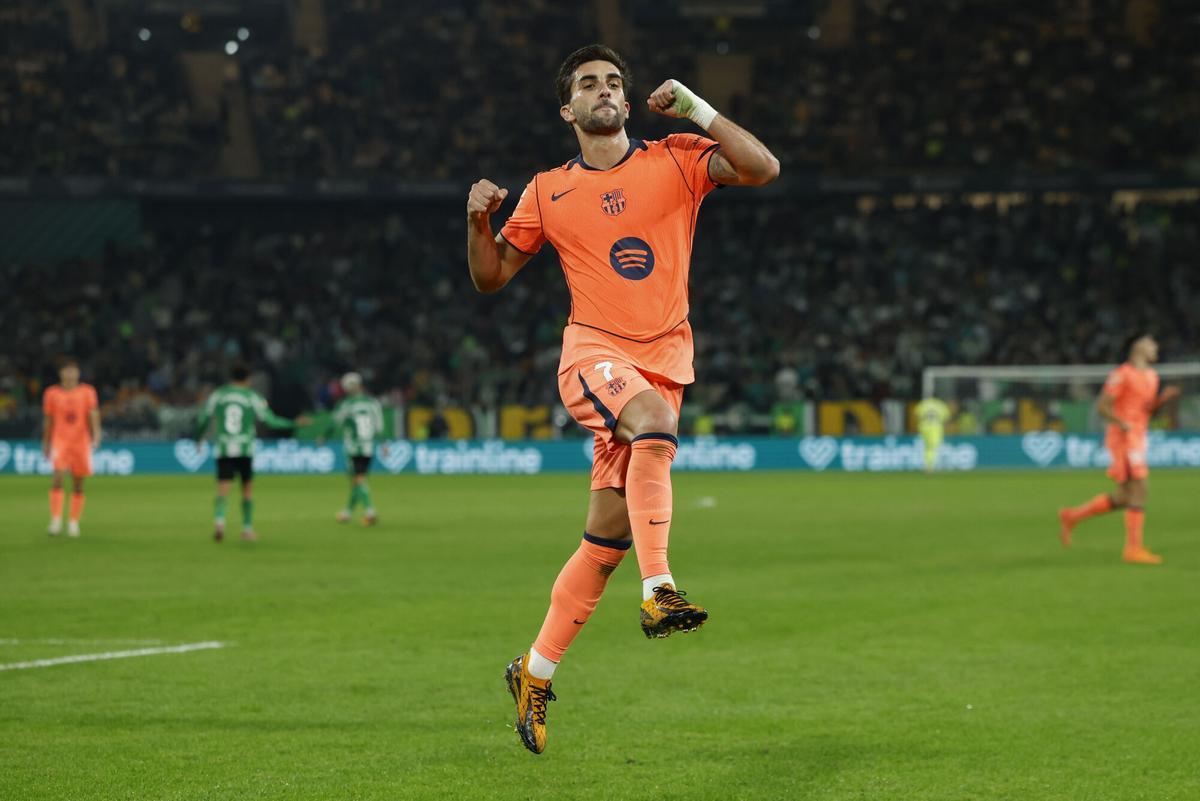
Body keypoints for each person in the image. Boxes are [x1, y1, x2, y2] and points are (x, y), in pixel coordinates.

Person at [466, 43, 779, 754]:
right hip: (594, 354)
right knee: (653, 422)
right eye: (587, 84)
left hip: (665, 361)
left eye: (613, 82)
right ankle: (661, 587)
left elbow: (763, 168)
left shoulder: (676, 157)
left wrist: (699, 110)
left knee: (604, 541)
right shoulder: (547, 189)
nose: (603, 90)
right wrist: (475, 222)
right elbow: (491, 278)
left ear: (628, 101)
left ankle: (533, 672)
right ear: (567, 109)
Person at [1058, 334, 1180, 564]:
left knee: (1125, 497)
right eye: (1151, 342)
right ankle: (1133, 550)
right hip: (1123, 438)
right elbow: (1102, 406)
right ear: (1137, 346)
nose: (1156, 346)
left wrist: (1163, 398)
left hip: (1138, 437)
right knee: (1140, 488)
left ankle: (1072, 516)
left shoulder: (1153, 377)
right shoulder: (1121, 374)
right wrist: (1121, 423)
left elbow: (1146, 410)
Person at [195, 363, 301, 542]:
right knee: (247, 490)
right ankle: (247, 529)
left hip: (224, 448)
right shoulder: (252, 397)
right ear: (248, 378)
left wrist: (198, 438)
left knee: (223, 490)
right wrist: (293, 423)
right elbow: (271, 421)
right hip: (245, 448)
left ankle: (220, 523)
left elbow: (203, 418)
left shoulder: (218, 395)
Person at [42, 358, 101, 537]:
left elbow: (93, 414)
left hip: (80, 442)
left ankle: (74, 522)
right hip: (60, 441)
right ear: (61, 373)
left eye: (72, 371)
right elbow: (48, 420)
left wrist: (96, 434)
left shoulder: (87, 392)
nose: (69, 374)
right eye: (66, 371)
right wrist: (45, 442)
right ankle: (56, 520)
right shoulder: (52, 393)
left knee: (78, 483)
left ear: (78, 373)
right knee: (58, 477)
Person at [329, 372, 386, 525]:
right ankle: (347, 512)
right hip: (368, 447)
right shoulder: (373, 403)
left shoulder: (347, 404)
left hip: (353, 448)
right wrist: (384, 444)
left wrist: (324, 436)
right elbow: (379, 426)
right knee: (357, 481)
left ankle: (370, 511)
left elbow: (335, 422)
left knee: (357, 480)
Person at [914, 395, 951, 472]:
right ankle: (930, 465)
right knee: (933, 447)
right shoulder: (940, 404)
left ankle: (929, 464)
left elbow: (916, 415)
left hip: (924, 427)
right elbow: (947, 417)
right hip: (936, 428)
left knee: (928, 447)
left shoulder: (923, 404)